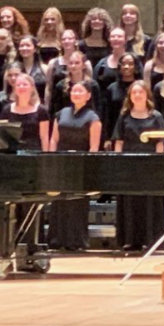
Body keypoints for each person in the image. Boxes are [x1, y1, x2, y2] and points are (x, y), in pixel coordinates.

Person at [112, 79, 164, 253]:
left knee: (149, 203)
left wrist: (157, 164)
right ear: (130, 96)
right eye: (134, 92)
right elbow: (119, 142)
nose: (137, 95)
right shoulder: (124, 116)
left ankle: (151, 240)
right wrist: (118, 163)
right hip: (129, 167)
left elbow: (160, 143)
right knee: (129, 203)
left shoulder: (156, 116)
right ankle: (130, 240)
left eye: (140, 92)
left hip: (149, 167)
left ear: (147, 95)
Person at [49, 80, 102, 252]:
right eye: (74, 91)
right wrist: (52, 159)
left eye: (80, 91)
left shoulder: (93, 117)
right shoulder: (61, 113)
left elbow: (94, 147)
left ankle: (77, 241)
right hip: (61, 162)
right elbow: (54, 139)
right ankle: (56, 240)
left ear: (88, 96)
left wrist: (89, 166)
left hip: (80, 164)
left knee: (77, 203)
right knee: (59, 202)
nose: (76, 94)